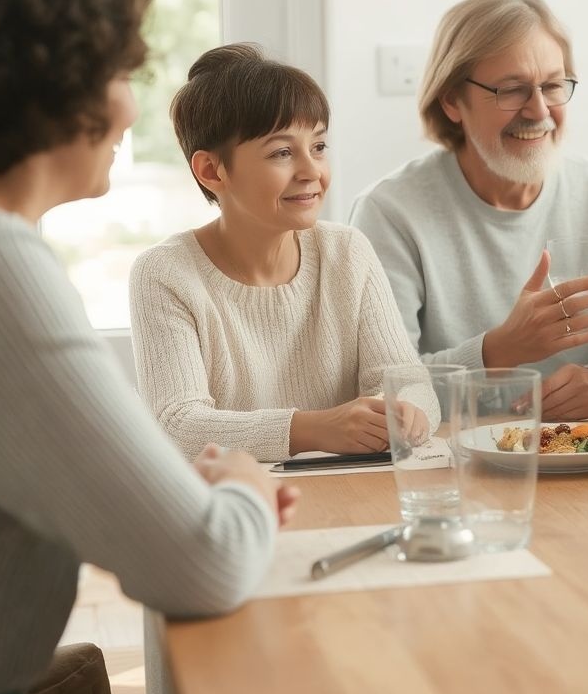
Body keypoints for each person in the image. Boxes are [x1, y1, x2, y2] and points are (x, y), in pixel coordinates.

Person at [0, 0, 293, 694]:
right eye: (119, 75)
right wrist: (248, 488)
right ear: (52, 82)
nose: (128, 108)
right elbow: (205, 563)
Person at [350, 0, 588, 420]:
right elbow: (388, 386)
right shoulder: (390, 212)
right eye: (512, 90)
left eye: (553, 86)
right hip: (453, 464)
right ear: (451, 101)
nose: (539, 111)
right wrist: (501, 349)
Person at [129, 44, 438, 463]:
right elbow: (178, 425)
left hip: (353, 492)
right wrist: (313, 428)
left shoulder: (347, 251)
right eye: (282, 152)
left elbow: (408, 380)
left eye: (319, 146)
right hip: (235, 505)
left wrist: (406, 412)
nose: (311, 171)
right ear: (211, 170)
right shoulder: (164, 273)